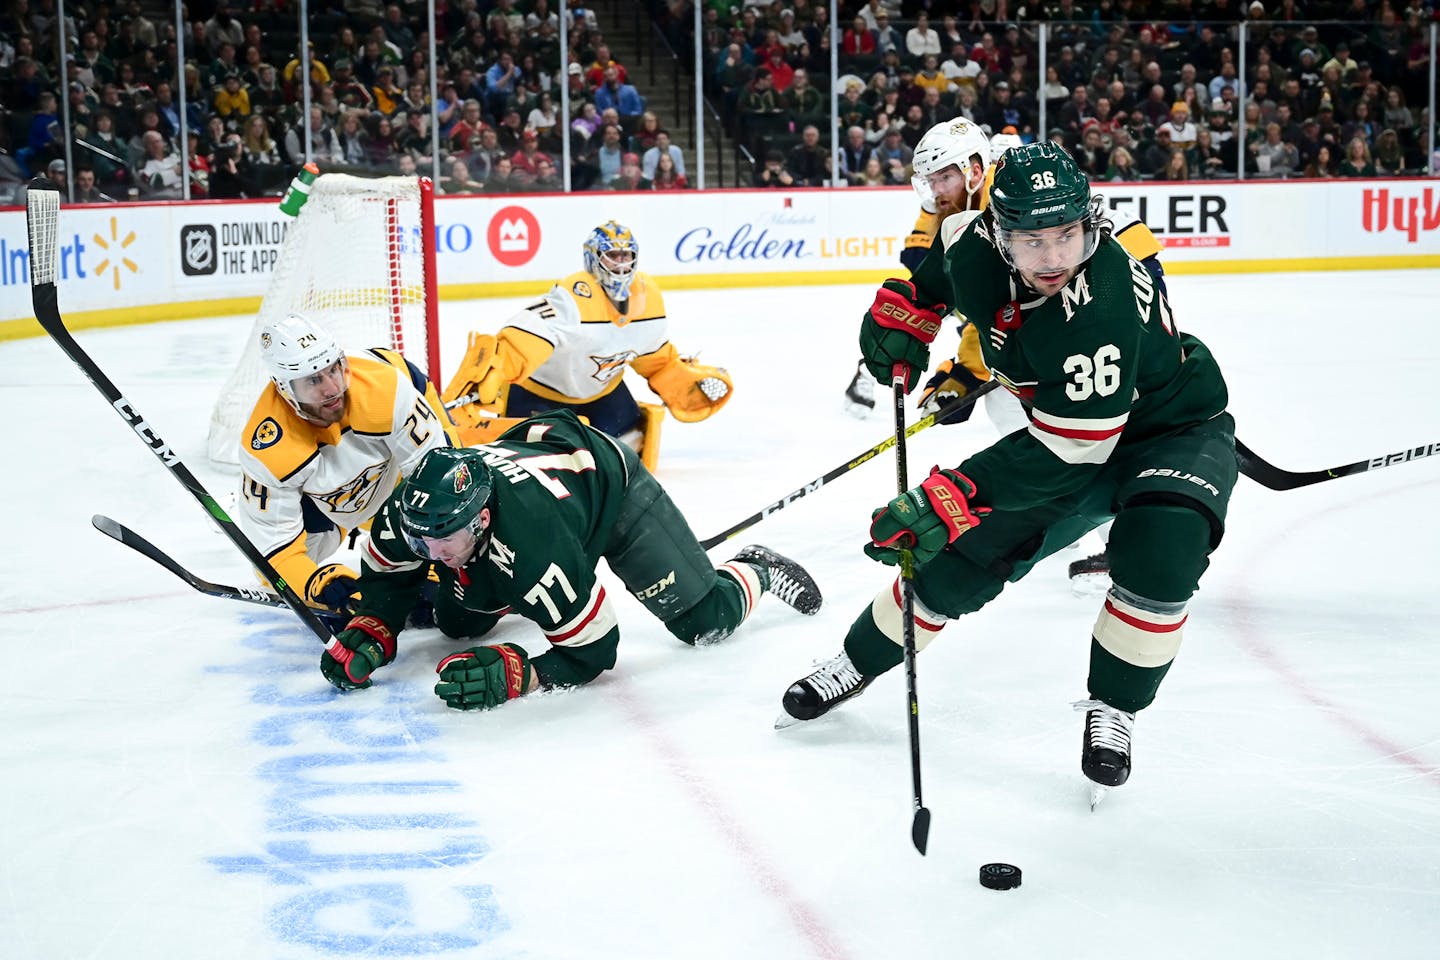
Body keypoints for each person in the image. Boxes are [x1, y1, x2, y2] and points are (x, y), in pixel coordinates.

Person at [783, 143, 1236, 807]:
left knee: (1163, 551)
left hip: (1169, 429)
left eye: (1067, 235)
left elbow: (1072, 449)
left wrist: (957, 491)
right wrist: (909, 310)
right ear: (998, 234)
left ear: (1092, 225)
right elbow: (937, 279)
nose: (1053, 257)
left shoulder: (1098, 304)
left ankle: (1115, 706)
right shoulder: (968, 240)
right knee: (961, 559)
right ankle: (856, 660)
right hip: (1070, 431)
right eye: (1030, 240)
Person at [843, 119, 1170, 589]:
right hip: (1050, 335)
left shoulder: (1021, 209)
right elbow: (978, 313)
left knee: (1088, 437)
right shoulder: (956, 218)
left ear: (976, 170)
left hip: (1104, 329)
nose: (936, 191)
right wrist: (958, 361)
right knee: (1016, 414)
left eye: (945, 178)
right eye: (929, 181)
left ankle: (1113, 536)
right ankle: (1059, 516)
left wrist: (962, 370)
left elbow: (1028, 309)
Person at [317, 416, 824, 696]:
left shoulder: (534, 548)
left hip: (605, 482)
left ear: (483, 521)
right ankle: (484, 588)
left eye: (442, 541)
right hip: (540, 460)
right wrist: (376, 622)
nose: (428, 550)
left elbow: (597, 648)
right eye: (420, 540)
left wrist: (525, 674)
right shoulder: (409, 514)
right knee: (460, 624)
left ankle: (754, 569)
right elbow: (390, 574)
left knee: (703, 621)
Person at [441, 221, 732, 471]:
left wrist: (675, 376)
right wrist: (491, 375)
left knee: (626, 451)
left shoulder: (649, 299)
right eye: (612, 256)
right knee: (539, 464)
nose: (621, 264)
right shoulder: (573, 296)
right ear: (594, 258)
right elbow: (523, 341)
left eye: (626, 256)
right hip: (540, 394)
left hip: (601, 393)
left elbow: (652, 356)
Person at [235, 313, 460, 617]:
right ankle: (348, 522)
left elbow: (439, 484)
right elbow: (274, 553)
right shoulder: (268, 449)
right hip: (336, 494)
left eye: (333, 370)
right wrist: (317, 584)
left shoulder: (386, 389)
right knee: (273, 578)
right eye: (313, 380)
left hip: (395, 453)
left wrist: (436, 565)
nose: (331, 388)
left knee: (456, 486)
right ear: (285, 388)